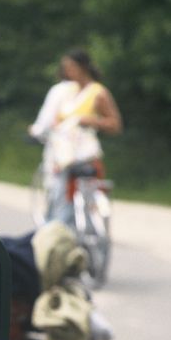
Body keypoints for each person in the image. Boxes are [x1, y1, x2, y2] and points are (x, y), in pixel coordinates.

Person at [28, 48, 123, 224]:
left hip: (83, 153)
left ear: (82, 67)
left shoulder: (97, 92)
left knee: (66, 199)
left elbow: (115, 124)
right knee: (58, 195)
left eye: (70, 67)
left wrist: (92, 121)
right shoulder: (67, 91)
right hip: (63, 153)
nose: (67, 71)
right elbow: (54, 118)